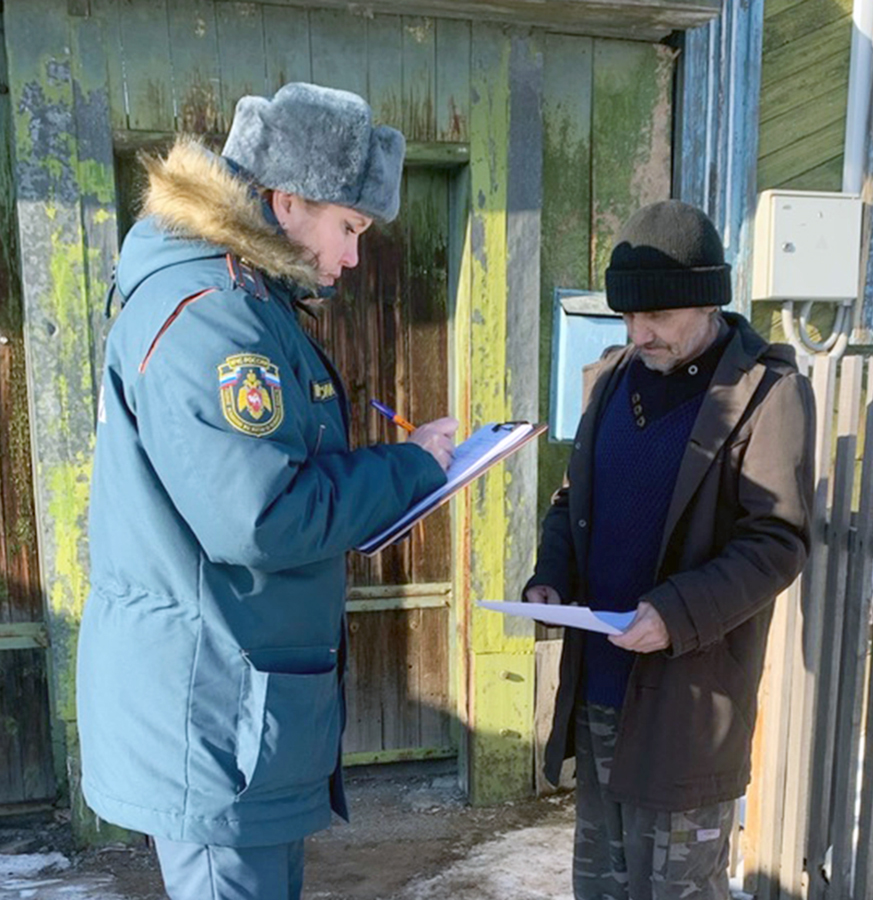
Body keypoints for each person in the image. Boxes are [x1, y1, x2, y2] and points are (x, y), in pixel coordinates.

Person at [76, 82, 458, 899]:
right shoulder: (215, 313)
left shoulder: (241, 299)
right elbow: (263, 516)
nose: (354, 255)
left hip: (236, 707)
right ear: (288, 202)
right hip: (214, 718)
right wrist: (412, 468)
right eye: (349, 226)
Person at [525, 200, 815, 900]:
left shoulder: (765, 394)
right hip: (599, 684)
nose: (639, 332)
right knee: (602, 887)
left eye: (657, 316)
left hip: (688, 701)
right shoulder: (610, 382)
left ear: (707, 299)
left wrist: (675, 613)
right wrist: (551, 578)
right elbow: (574, 501)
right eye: (628, 316)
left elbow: (778, 542)